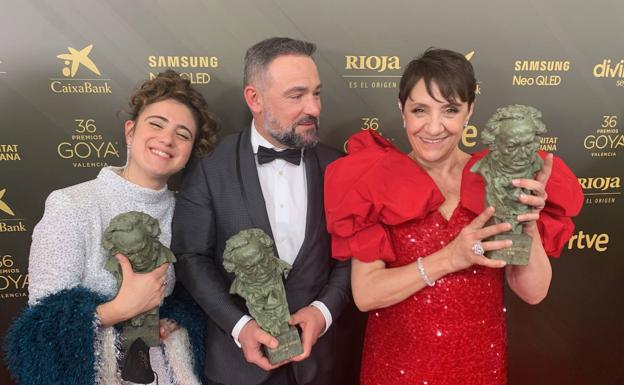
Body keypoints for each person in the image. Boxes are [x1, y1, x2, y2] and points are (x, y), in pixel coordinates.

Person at [324, 48, 583, 385]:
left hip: (479, 365)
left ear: (469, 111)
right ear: (401, 111)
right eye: (420, 110)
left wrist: (528, 221)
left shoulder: (498, 175)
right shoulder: (375, 180)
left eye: (450, 110)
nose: (434, 127)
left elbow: (533, 292)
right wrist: (450, 258)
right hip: (397, 367)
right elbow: (367, 293)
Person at [4, 70, 218, 385]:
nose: (167, 139)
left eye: (183, 134)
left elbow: (189, 301)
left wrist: (170, 320)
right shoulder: (72, 204)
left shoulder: (186, 215)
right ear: (130, 131)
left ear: (190, 152)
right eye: (156, 124)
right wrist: (118, 309)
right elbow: (42, 326)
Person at [171, 37, 351, 385]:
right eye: (296, 95)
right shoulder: (210, 167)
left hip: (322, 367)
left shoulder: (338, 167)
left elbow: (351, 259)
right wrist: (241, 327)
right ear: (254, 98)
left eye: (317, 93)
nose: (313, 107)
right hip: (236, 369)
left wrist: (322, 312)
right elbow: (191, 256)